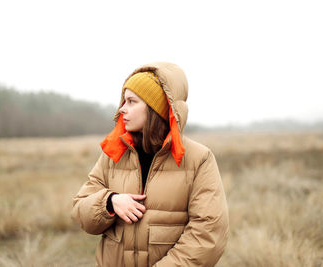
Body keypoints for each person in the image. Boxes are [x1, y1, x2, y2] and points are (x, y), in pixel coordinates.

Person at [71, 62, 229, 267]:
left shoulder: (199, 159)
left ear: (156, 108)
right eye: (123, 101)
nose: (121, 109)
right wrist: (109, 202)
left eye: (131, 101)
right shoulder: (114, 154)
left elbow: (208, 234)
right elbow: (80, 212)